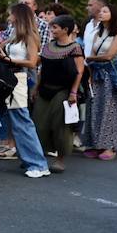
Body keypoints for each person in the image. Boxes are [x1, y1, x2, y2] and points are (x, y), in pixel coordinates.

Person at [0, 4, 51, 178]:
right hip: (11, 79)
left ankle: (38, 163)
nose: (8, 17)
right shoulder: (15, 35)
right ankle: (30, 159)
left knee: (22, 122)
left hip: (19, 80)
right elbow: (0, 46)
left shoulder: (30, 36)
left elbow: (32, 62)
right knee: (18, 122)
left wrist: (9, 59)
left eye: (11, 14)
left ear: (18, 16)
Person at [79, 3, 117, 160]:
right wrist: (91, 66)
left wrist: (89, 58)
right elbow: (95, 56)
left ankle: (110, 146)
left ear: (113, 14)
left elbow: (109, 56)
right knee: (95, 108)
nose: (100, 13)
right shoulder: (97, 34)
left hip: (112, 75)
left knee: (111, 110)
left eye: (105, 11)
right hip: (97, 74)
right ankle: (96, 144)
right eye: (100, 11)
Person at [34, 16, 85, 171]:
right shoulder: (48, 46)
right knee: (39, 123)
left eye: (55, 27)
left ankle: (60, 159)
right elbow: (42, 69)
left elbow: (79, 72)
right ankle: (37, 157)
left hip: (63, 90)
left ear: (65, 29)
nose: (52, 30)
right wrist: (36, 88)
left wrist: (73, 93)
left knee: (60, 125)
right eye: (52, 27)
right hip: (44, 89)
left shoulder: (75, 48)